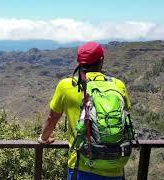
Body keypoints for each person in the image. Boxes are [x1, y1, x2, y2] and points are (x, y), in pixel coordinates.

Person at [38, 42, 132, 179]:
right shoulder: (117, 85)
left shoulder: (66, 86)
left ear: (79, 63)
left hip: (81, 166)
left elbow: (52, 118)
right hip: (114, 166)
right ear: (101, 61)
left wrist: (43, 138)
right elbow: (124, 114)